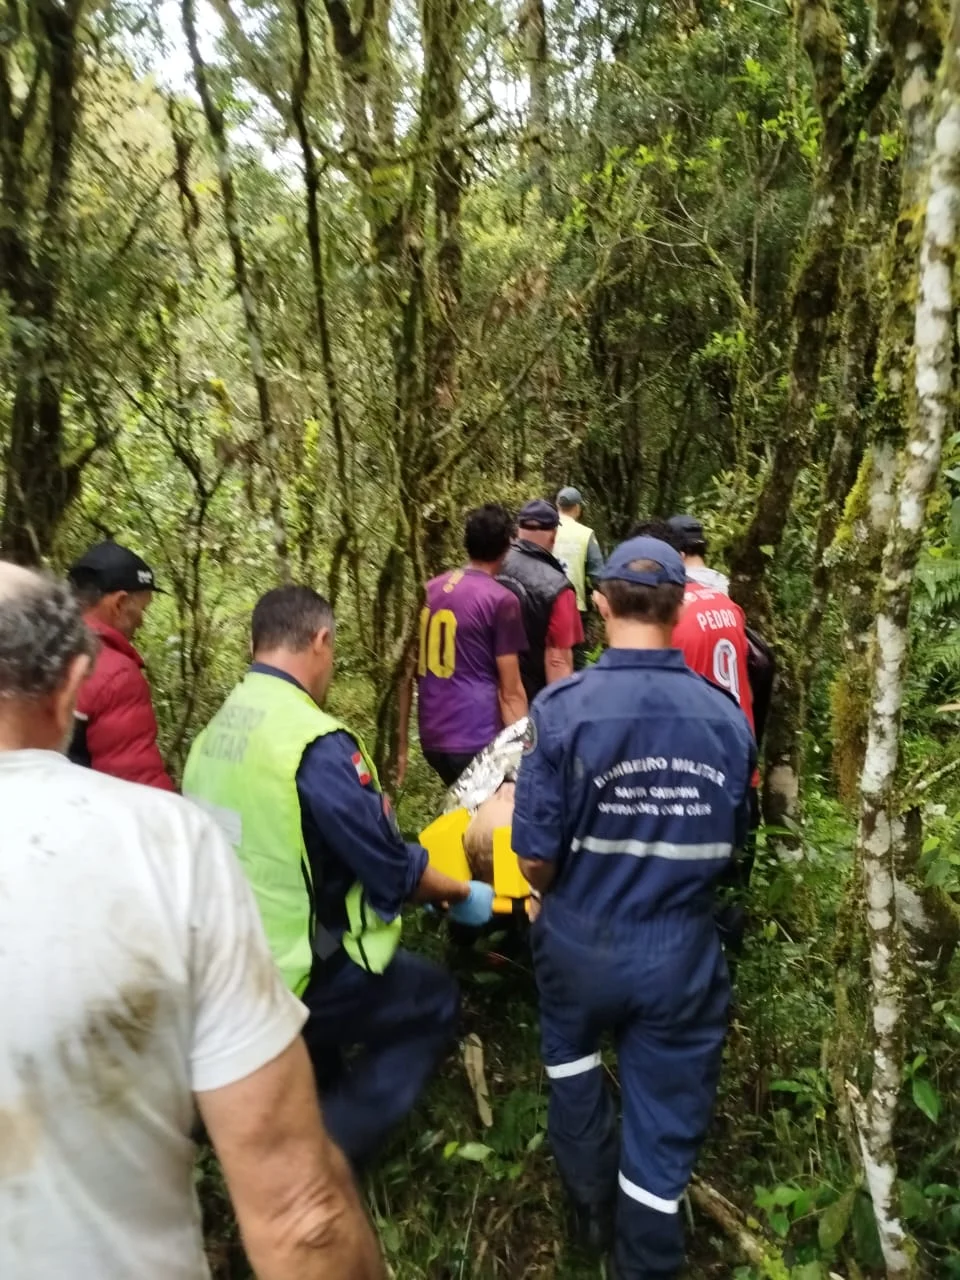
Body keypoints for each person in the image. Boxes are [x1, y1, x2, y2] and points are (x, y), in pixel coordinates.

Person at [0, 564, 383, 1280]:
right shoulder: (163, 843)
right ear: (70, 685)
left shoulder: (220, 727)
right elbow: (300, 1214)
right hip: (291, 973)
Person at [511, 536, 755, 1280]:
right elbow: (731, 848)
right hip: (679, 950)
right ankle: (642, 1261)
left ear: (601, 602)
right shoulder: (727, 721)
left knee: (574, 1062)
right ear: (680, 607)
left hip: (578, 937)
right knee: (664, 1118)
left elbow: (533, 858)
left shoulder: (561, 710)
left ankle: (588, 1210)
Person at [183, 585, 494, 1165]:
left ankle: (312, 1108)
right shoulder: (315, 746)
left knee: (316, 1047)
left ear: (255, 644)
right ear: (322, 641)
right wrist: (460, 891)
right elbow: (391, 870)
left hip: (230, 963)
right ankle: (333, 1158)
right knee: (433, 1001)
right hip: (302, 970)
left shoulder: (214, 736)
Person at [399, 504, 528, 788]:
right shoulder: (501, 600)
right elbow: (511, 692)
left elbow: (405, 674)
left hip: (433, 737)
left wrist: (401, 746)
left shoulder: (429, 589)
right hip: (476, 738)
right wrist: (526, 754)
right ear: (507, 546)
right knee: (489, 825)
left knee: (461, 815)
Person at [66, 539, 174, 790]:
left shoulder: (26, 650)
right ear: (119, 603)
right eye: (142, 609)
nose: (142, 622)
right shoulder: (115, 674)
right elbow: (139, 786)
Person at [498, 499, 584, 701]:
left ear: (518, 530)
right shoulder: (558, 588)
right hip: (531, 701)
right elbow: (558, 662)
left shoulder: (490, 566)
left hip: (485, 699)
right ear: (554, 536)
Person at [553, 486, 604, 669]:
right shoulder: (585, 534)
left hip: (543, 604)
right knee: (575, 660)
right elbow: (598, 574)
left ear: (557, 506)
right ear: (577, 508)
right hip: (575, 606)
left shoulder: (546, 530)